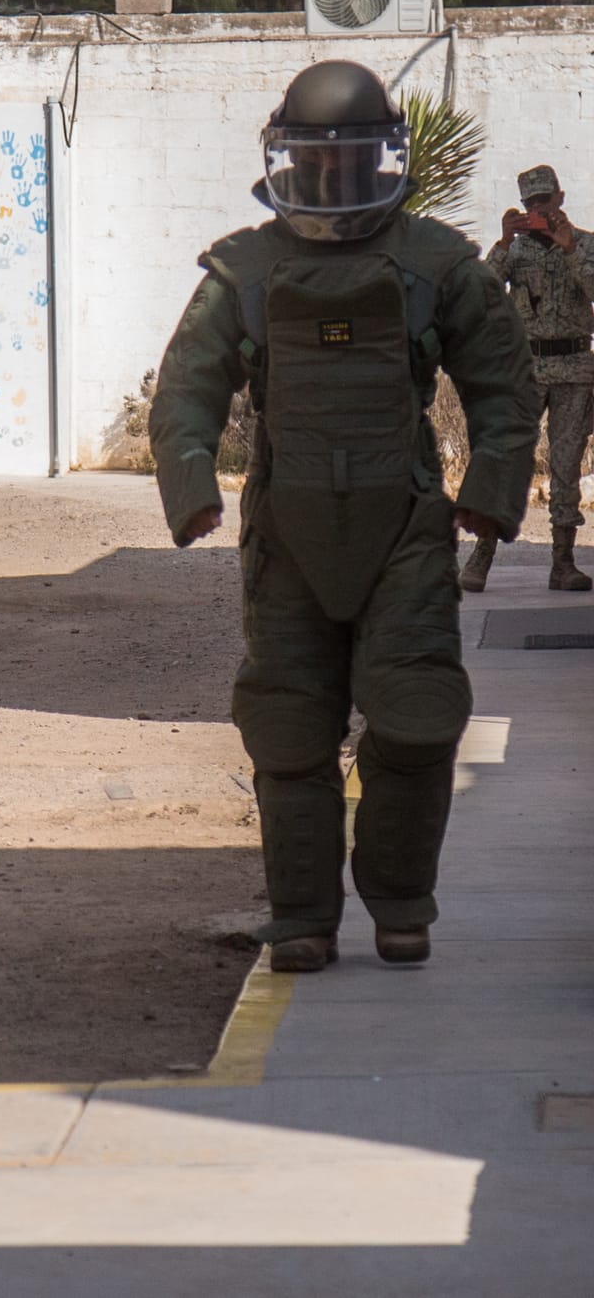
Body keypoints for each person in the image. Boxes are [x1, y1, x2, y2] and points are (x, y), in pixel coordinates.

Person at [149, 60, 538, 973]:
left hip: (404, 527)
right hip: (284, 535)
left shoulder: (436, 262)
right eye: (317, 161)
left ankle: (402, 903)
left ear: (385, 158)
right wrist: (190, 479)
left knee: (415, 714)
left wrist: (492, 486)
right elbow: (187, 386)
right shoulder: (243, 269)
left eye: (353, 159)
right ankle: (303, 918)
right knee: (289, 728)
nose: (334, 178)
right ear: (286, 158)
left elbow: (503, 384)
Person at [462, 164, 594, 592]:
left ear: (561, 197)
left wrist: (570, 249)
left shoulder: (586, 245)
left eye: (544, 200)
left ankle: (563, 563)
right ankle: (481, 558)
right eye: (530, 203)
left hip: (574, 370)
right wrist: (501, 243)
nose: (538, 208)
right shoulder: (514, 252)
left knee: (566, 466)